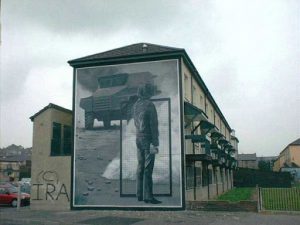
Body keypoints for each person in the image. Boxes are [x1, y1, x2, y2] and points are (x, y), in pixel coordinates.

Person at [133, 83, 161, 204]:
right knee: (148, 168)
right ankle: (148, 197)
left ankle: (139, 194)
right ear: (148, 93)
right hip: (148, 139)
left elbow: (135, 122)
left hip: (138, 138)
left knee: (140, 166)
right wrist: (155, 142)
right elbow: (153, 125)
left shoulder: (136, 105)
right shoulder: (150, 105)